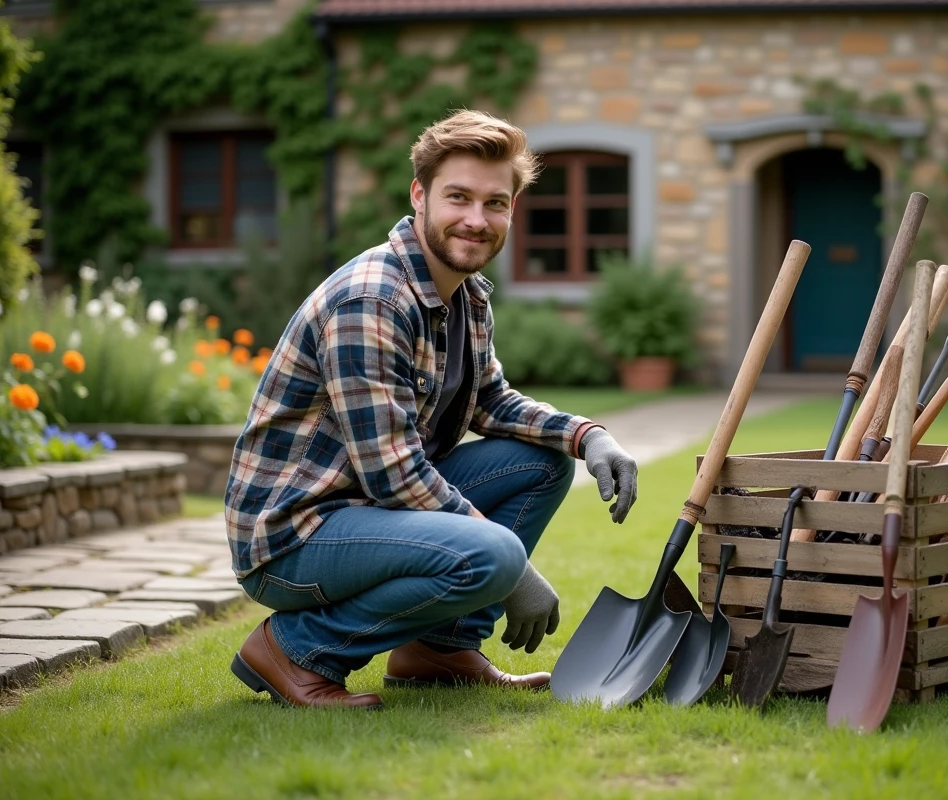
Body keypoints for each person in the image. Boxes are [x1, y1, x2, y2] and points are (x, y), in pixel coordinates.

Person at [223, 110, 639, 709]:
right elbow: (394, 472)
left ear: (512, 210)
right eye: (458, 198)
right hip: (294, 534)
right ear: (419, 195)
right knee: (493, 553)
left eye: (495, 202)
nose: (476, 219)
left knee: (544, 464)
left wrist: (588, 437)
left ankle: (437, 650)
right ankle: (296, 650)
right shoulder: (371, 299)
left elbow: (491, 401)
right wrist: (514, 571)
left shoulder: (463, 294)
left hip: (361, 509)